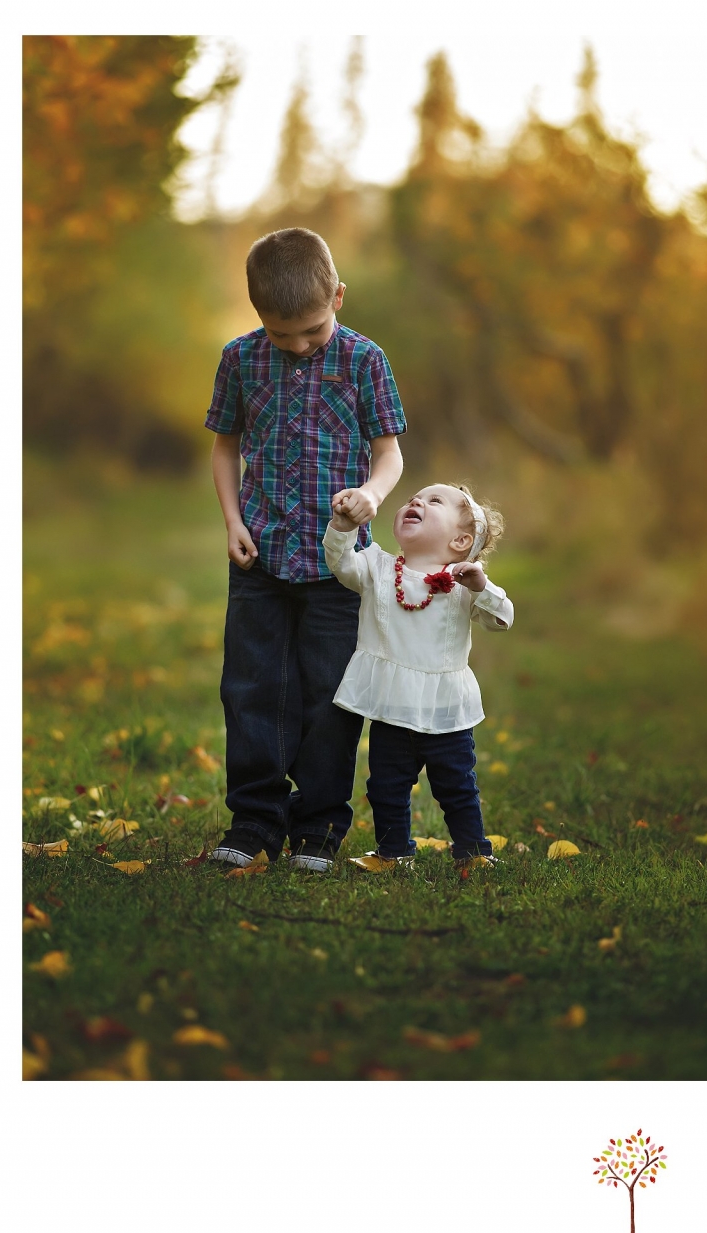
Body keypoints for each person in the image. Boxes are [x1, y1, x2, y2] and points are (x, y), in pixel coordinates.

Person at [204, 228, 406, 871]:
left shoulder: (364, 361)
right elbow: (225, 445)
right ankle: (255, 821)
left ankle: (318, 825)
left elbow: (389, 452)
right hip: (259, 555)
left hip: (338, 565)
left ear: (338, 298)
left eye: (311, 330)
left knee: (330, 692)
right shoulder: (240, 359)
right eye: (279, 332)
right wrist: (233, 520)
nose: (296, 344)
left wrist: (373, 495)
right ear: (256, 313)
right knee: (251, 688)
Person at [323, 482, 514, 870]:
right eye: (415, 497)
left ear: (461, 540)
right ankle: (393, 854)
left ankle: (474, 853)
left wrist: (482, 586)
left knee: (457, 786)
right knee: (385, 787)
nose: (416, 501)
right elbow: (341, 564)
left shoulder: (462, 583)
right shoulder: (377, 567)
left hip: (445, 712)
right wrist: (342, 526)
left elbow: (502, 619)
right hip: (392, 706)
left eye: (434, 501)